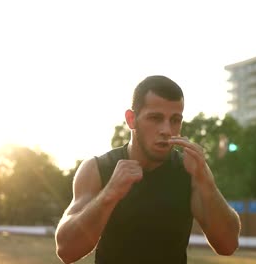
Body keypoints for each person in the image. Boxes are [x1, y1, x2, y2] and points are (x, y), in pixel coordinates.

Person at [55, 75, 241, 264]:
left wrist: (205, 182)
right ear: (131, 119)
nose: (167, 130)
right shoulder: (98, 168)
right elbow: (66, 251)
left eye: (175, 120)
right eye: (155, 118)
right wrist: (109, 194)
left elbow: (228, 245)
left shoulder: (191, 170)